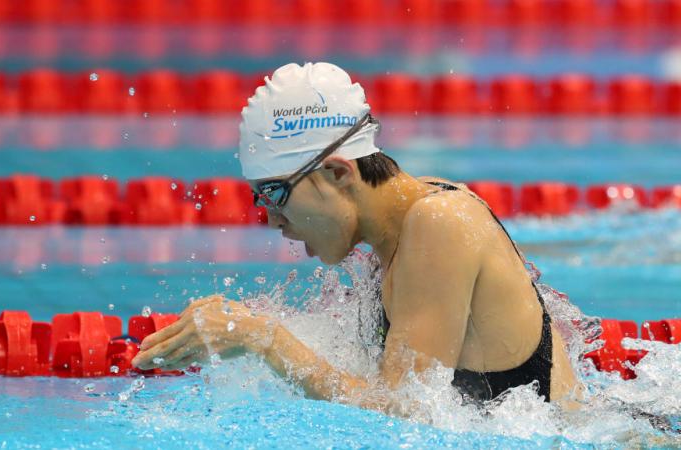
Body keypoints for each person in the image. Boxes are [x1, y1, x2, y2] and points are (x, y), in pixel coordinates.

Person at [132, 62, 579, 413]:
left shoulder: (439, 221)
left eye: (275, 194)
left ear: (337, 172)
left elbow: (407, 413)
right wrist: (238, 323)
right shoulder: (394, 239)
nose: (270, 220)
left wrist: (265, 339)